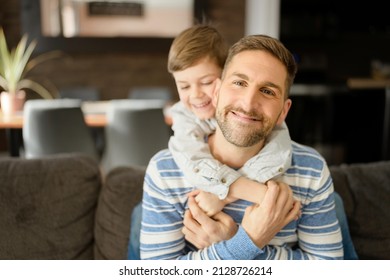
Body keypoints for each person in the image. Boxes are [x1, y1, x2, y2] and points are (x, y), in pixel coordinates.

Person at [139, 34, 344, 259]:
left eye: (267, 91)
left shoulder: (310, 170)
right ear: (217, 92)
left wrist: (239, 241)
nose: (247, 103)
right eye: (239, 82)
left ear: (283, 112)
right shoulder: (165, 170)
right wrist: (246, 241)